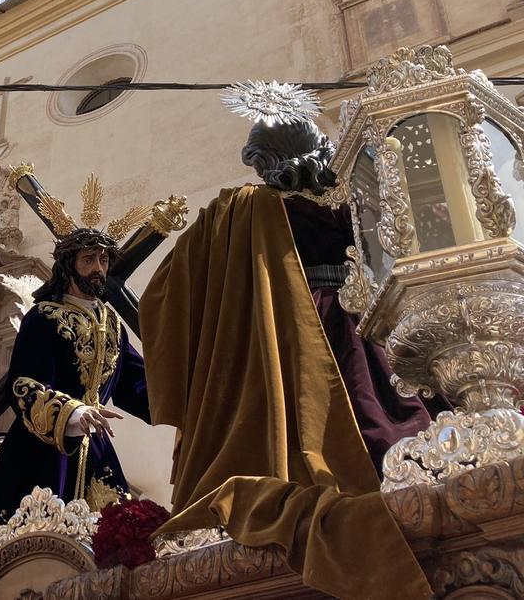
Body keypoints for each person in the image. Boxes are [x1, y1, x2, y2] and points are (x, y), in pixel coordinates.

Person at [140, 84, 432, 599]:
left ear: (266, 160)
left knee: (315, 424)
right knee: (384, 413)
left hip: (292, 330)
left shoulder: (240, 209)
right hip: (367, 324)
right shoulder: (354, 196)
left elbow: (164, 293)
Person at [0, 174, 150, 548]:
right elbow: (24, 384)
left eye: (103, 259)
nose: (99, 268)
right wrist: (73, 414)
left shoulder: (112, 323)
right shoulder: (44, 317)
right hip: (43, 449)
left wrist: (185, 402)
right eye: (89, 259)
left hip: (96, 451)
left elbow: (134, 385)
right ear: (69, 266)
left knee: (112, 546)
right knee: (31, 545)